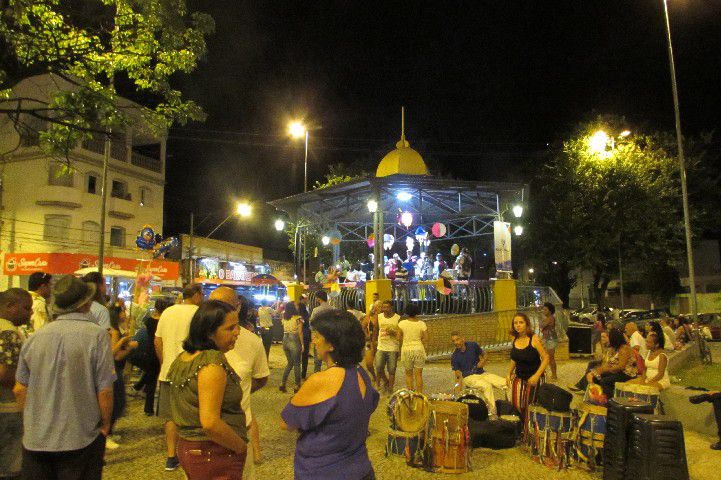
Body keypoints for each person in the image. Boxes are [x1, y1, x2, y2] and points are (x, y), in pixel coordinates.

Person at [14, 276, 116, 479]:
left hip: (36, 440)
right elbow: (104, 389)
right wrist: (105, 425)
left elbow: (19, 389)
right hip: (81, 437)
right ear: (85, 304)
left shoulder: (34, 339)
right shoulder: (97, 336)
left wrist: (33, 421)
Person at [281, 310, 379, 480]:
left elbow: (286, 423)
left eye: (318, 336)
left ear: (332, 344)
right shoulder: (360, 373)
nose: (314, 341)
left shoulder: (322, 380)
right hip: (360, 469)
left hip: (323, 471)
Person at [167, 300, 247, 479]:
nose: (237, 332)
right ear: (210, 333)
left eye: (237, 326)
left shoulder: (184, 358)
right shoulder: (211, 362)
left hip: (192, 448)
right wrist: (240, 447)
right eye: (230, 328)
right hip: (213, 451)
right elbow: (210, 422)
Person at [155, 283, 203, 471]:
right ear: (197, 295)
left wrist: (164, 362)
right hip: (192, 371)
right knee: (194, 414)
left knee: (170, 416)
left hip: (168, 372)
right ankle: (192, 453)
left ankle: (171, 455)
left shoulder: (167, 312)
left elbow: (157, 340)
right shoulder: (198, 314)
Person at [225, 295, 270, 477]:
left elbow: (262, 377)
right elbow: (210, 421)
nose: (235, 333)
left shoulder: (251, 340)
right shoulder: (202, 352)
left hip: (241, 426)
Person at [0, 288, 32, 479]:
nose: (31, 313)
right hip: (7, 408)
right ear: (10, 306)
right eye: (26, 308)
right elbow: (5, 374)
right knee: (9, 468)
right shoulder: (8, 332)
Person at [451, 331, 508, 418]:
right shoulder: (455, 356)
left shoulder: (473, 345)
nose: (456, 342)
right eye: (454, 341)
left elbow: (484, 354)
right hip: (468, 378)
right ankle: (492, 414)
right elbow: (458, 377)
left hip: (482, 373)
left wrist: (483, 361)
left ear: (463, 338)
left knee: (506, 383)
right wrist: (456, 396)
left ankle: (512, 409)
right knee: (486, 386)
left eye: (457, 339)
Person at [133, 297, 173, 416]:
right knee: (158, 382)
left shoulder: (149, 320)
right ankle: (155, 408)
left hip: (149, 352)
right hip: (159, 351)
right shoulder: (165, 320)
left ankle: (148, 407)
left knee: (151, 380)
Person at [507, 312, 549, 424]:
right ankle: (520, 428)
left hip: (535, 376)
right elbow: (514, 358)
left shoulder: (534, 339)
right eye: (515, 323)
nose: (518, 325)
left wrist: (536, 376)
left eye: (521, 322)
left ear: (526, 324)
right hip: (520, 376)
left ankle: (530, 431)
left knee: (530, 405)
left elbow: (546, 358)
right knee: (516, 403)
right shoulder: (514, 339)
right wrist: (508, 373)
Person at [107, 304, 138, 448]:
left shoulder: (119, 328)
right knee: (115, 403)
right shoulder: (113, 331)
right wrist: (129, 347)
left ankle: (110, 432)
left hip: (117, 370)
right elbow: (115, 355)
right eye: (122, 311)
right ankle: (106, 434)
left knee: (119, 403)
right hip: (113, 371)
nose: (124, 313)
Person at [582, 327, 638, 398]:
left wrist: (607, 369)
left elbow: (621, 366)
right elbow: (607, 362)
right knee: (595, 376)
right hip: (617, 371)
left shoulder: (624, 349)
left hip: (627, 374)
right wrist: (597, 371)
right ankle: (598, 397)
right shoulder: (615, 348)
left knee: (604, 381)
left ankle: (610, 400)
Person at [628, 322, 670, 390]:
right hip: (648, 379)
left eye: (649, 342)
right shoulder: (649, 352)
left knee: (644, 389)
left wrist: (648, 383)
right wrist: (642, 381)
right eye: (646, 341)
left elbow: (660, 374)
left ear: (657, 345)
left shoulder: (662, 356)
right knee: (628, 384)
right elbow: (645, 369)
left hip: (661, 381)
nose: (646, 344)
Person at [397, 303, 427, 393]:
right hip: (418, 349)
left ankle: (411, 394)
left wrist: (406, 339)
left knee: (408, 374)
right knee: (419, 375)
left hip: (406, 350)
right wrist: (419, 339)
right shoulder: (422, 324)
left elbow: (398, 338)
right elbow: (426, 338)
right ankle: (419, 395)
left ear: (407, 312)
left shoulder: (401, 323)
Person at [374, 300, 400, 394]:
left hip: (393, 347)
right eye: (383, 307)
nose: (384, 309)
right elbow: (376, 328)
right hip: (381, 346)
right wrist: (374, 341)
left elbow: (399, 334)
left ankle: (390, 389)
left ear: (391, 307)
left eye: (387, 307)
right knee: (379, 367)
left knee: (392, 369)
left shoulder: (398, 318)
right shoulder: (379, 317)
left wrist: (393, 332)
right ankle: (383, 382)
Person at [280, 302, 303, 393]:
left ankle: (282, 383)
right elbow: (300, 332)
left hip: (285, 339)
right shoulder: (298, 318)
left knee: (290, 363)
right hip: (294, 339)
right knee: (297, 364)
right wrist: (302, 344)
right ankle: (297, 385)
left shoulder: (284, 318)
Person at [309, 291, 334, 373]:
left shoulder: (316, 310)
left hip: (319, 335)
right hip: (331, 335)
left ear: (318, 298)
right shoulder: (333, 309)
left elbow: (311, 324)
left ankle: (317, 375)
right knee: (331, 358)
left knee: (317, 360)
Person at [540, 302, 559, 381]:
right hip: (547, 339)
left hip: (551, 340)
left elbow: (542, 326)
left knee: (551, 358)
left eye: (545, 309)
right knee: (546, 357)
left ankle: (554, 375)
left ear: (550, 311)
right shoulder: (547, 318)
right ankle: (546, 374)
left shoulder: (550, 318)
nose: (543, 311)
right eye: (543, 309)